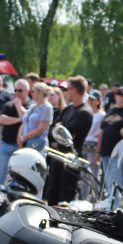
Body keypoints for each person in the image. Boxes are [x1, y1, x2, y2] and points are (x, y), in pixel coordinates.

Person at [44, 76, 93, 204]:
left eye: (68, 89)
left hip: (71, 160)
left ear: (75, 90)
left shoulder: (85, 112)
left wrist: (59, 129)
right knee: (52, 193)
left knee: (65, 197)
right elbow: (53, 131)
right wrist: (58, 129)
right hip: (58, 157)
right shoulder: (68, 109)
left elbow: (67, 134)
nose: (66, 92)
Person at [0, 79, 29, 190]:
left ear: (27, 91)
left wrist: (19, 106)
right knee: (0, 175)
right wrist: (19, 119)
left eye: (20, 90)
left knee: (19, 177)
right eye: (15, 90)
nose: (17, 93)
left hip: (21, 147)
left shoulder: (31, 106)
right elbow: (1, 119)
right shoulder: (8, 105)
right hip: (6, 144)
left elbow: (27, 119)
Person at [82, 90, 105, 199]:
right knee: (83, 173)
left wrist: (98, 150)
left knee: (93, 173)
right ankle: (83, 197)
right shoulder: (86, 112)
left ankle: (95, 197)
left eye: (93, 99)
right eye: (89, 99)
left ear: (98, 101)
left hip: (94, 144)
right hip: (84, 143)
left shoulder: (101, 115)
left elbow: (101, 132)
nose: (90, 101)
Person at [19, 82, 53, 152]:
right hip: (26, 142)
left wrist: (23, 138)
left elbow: (41, 129)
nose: (31, 94)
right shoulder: (32, 107)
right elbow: (25, 121)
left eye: (33, 91)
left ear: (40, 92)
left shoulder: (47, 107)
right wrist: (19, 136)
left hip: (37, 144)